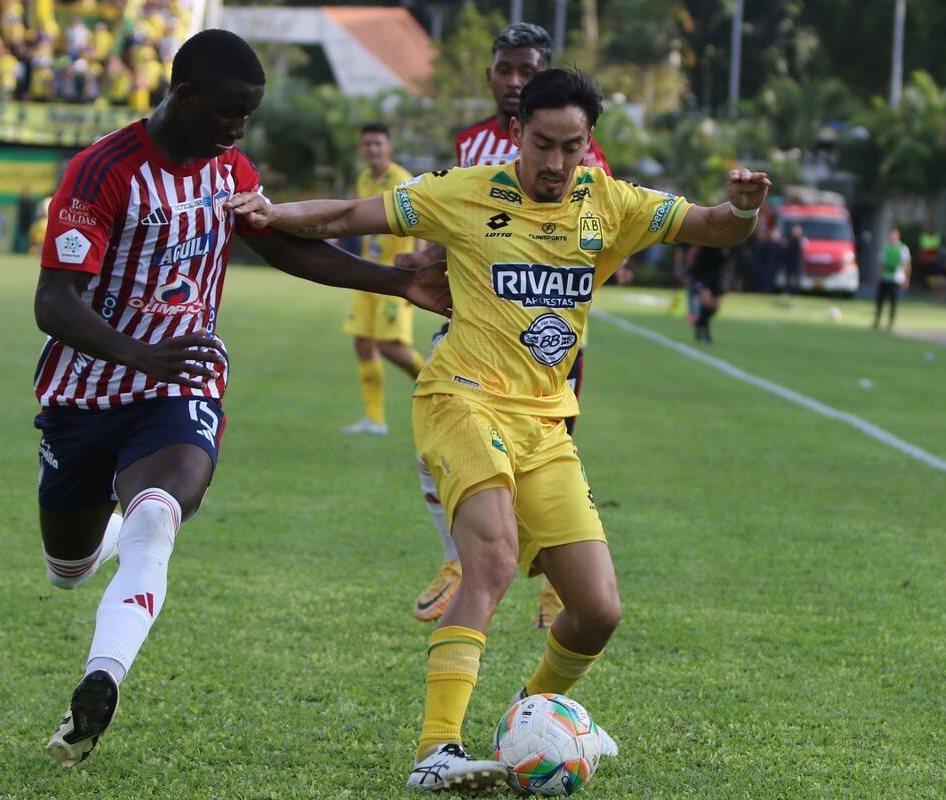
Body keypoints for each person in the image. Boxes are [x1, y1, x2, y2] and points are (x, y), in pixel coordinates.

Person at [228, 66, 771, 793]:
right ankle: (436, 749)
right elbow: (347, 217)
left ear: (589, 143)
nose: (554, 162)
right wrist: (273, 212)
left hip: (545, 422)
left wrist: (742, 210)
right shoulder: (463, 191)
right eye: (542, 143)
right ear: (515, 132)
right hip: (462, 397)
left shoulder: (609, 202)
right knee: (491, 560)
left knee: (599, 610)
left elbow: (713, 228)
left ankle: (527, 720)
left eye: (571, 146)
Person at [34, 29, 449, 769]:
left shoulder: (230, 168)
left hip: (182, 380)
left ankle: (103, 678)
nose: (239, 129)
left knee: (159, 516)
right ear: (184, 96)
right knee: (66, 566)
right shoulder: (102, 171)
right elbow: (54, 302)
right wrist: (135, 351)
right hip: (85, 392)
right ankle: (100, 537)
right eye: (230, 112)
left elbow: (280, 244)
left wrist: (395, 281)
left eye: (249, 116)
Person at [410, 22, 613, 629]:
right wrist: (426, 262)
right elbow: (460, 218)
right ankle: (456, 560)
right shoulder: (469, 143)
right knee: (439, 436)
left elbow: (596, 222)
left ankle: (554, 584)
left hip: (548, 325)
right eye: (505, 69)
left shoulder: (578, 148)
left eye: (527, 70)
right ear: (491, 74)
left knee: (548, 447)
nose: (514, 80)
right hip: (475, 320)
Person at [339, 122, 426, 436]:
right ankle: (375, 421)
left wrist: (415, 271)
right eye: (367, 144)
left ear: (389, 147)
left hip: (394, 276)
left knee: (390, 347)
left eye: (378, 144)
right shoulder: (363, 179)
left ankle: (437, 386)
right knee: (363, 343)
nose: (372, 149)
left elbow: (419, 226)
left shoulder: (401, 181)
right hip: (366, 274)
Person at [686, 244, 729, 343]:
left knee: (715, 308)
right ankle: (705, 333)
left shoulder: (731, 242)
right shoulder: (709, 239)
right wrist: (689, 272)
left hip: (717, 276)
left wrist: (727, 277)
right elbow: (693, 252)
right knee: (707, 302)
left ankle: (699, 323)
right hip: (702, 275)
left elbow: (728, 262)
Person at [873, 227, 910, 329]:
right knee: (880, 300)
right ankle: (877, 321)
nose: (892, 237)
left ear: (898, 236)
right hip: (885, 278)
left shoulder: (903, 248)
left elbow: (907, 264)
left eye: (894, 235)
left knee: (893, 302)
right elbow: (881, 264)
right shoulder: (885, 248)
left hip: (896, 279)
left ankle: (891, 323)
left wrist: (906, 279)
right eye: (891, 235)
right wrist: (878, 277)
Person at [780, 222, 804, 293]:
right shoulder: (790, 239)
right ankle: (787, 291)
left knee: (797, 280)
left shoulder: (801, 240)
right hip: (790, 262)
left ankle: (796, 292)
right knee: (788, 279)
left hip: (797, 262)